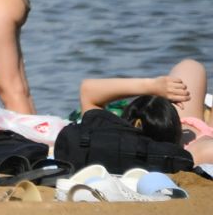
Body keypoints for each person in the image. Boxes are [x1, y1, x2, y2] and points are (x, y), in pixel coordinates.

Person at [78, 60, 213, 166]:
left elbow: (87, 91)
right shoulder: (197, 153)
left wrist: (153, 87)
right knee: (190, 66)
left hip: (186, 133)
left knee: (190, 66)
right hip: (195, 136)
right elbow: (88, 90)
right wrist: (151, 86)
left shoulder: (108, 144)